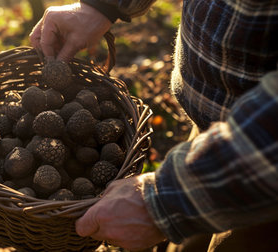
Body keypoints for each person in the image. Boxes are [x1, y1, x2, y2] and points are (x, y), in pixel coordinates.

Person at [30, 0, 278, 251]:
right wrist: (103, 6)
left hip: (262, 168)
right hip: (215, 135)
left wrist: (167, 201)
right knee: (188, 243)